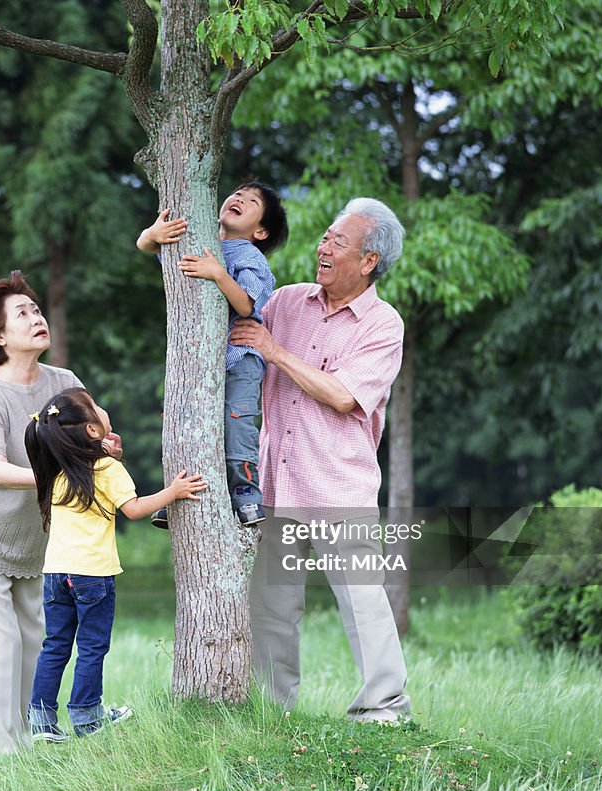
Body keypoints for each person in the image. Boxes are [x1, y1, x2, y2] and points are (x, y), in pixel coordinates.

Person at [229, 197, 411, 723]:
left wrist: (277, 352)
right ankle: (272, 713)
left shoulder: (383, 324)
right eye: (325, 237)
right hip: (275, 486)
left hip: (339, 489)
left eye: (338, 242)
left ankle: (383, 709)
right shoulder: (286, 301)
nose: (322, 248)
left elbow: (343, 396)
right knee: (272, 612)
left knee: (363, 603)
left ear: (369, 261)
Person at [0, 272, 110, 756]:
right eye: (23, 314)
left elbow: (95, 430)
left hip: (33, 541)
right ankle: (2, 765)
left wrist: (103, 445)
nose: (37, 318)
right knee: (0, 648)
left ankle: (33, 754)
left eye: (37, 310)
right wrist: (63, 473)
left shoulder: (64, 383)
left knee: (34, 645)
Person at [24, 388, 206, 740]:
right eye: (94, 406)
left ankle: (42, 722)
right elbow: (134, 509)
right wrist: (174, 491)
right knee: (92, 647)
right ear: (92, 430)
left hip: (55, 574)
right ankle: (86, 718)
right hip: (92, 575)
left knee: (56, 646)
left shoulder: (59, 468)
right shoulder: (106, 468)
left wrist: (107, 454)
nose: (102, 408)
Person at [136, 182, 288, 528]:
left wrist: (218, 273)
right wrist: (151, 233)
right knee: (184, 423)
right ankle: (175, 493)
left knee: (236, 425)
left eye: (251, 202)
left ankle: (247, 495)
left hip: (240, 359)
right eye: (237, 194)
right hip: (198, 361)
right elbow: (147, 246)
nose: (238, 199)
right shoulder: (201, 243)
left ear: (260, 231)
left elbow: (247, 305)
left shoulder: (249, 257)